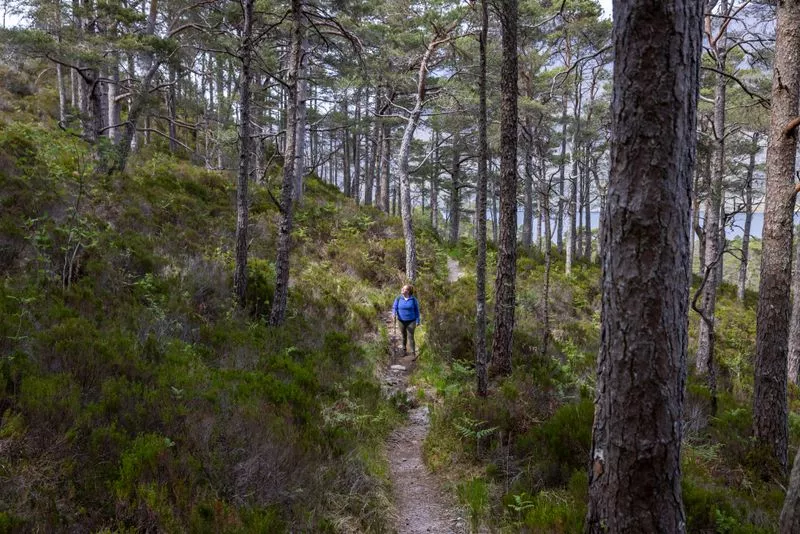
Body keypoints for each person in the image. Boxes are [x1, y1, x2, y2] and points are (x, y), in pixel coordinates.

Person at [393, 284, 421, 358]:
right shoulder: (398, 298)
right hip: (401, 320)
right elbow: (394, 307)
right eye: (402, 288)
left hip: (411, 321)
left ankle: (413, 353)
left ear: (408, 291)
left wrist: (418, 320)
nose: (402, 289)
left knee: (410, 336)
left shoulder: (413, 299)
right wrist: (393, 314)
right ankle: (404, 350)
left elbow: (417, 311)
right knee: (403, 336)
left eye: (404, 289)